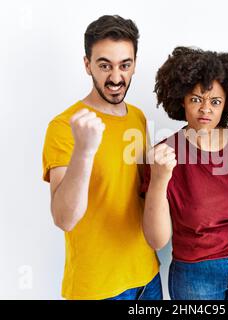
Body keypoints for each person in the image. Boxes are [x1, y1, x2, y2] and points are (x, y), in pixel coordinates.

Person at [141, 47, 228, 300]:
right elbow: (156, 241)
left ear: (227, 104)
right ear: (181, 99)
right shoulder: (164, 154)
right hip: (196, 275)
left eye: (215, 101)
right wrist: (159, 179)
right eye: (196, 99)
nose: (205, 109)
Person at [42, 15, 161, 300]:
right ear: (87, 65)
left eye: (125, 65)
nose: (116, 78)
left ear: (134, 64)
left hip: (148, 277)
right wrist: (84, 150)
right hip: (97, 288)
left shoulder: (137, 117)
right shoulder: (64, 126)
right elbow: (64, 218)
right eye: (104, 65)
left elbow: (141, 194)